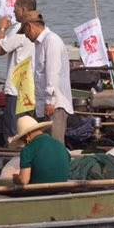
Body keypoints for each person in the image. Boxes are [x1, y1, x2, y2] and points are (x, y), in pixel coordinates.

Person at [24, 11, 74, 142]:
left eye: (25, 32)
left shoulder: (51, 41)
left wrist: (50, 101)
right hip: (46, 104)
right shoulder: (40, 43)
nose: (26, 36)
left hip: (55, 104)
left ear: (29, 26)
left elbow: (52, 72)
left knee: (55, 144)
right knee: (46, 143)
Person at [0, 0, 37, 145]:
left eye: (16, 9)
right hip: (30, 88)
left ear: (24, 9)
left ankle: (14, 161)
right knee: (28, 129)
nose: (13, 12)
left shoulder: (22, 30)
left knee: (14, 134)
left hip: (16, 89)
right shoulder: (39, 27)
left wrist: (2, 28)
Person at [11, 114, 70, 186]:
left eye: (22, 140)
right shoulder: (60, 145)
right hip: (62, 188)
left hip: (39, 192)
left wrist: (16, 178)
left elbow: (24, 181)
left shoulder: (28, 150)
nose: (24, 144)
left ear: (27, 136)